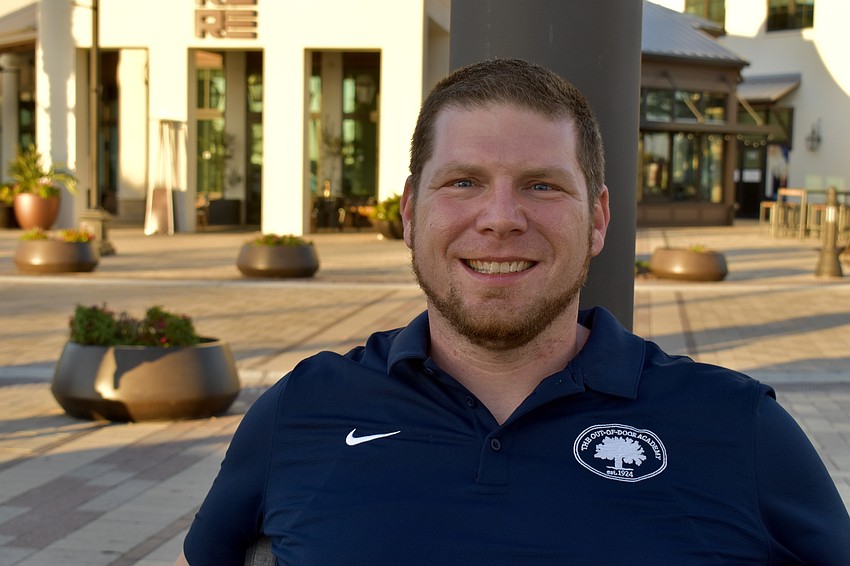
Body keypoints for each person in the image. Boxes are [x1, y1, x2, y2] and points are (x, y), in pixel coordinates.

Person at [177, 58, 850, 565]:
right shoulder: (301, 411)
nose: (500, 219)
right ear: (411, 213)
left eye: (541, 185)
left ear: (598, 219)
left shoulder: (738, 427)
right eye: (464, 182)